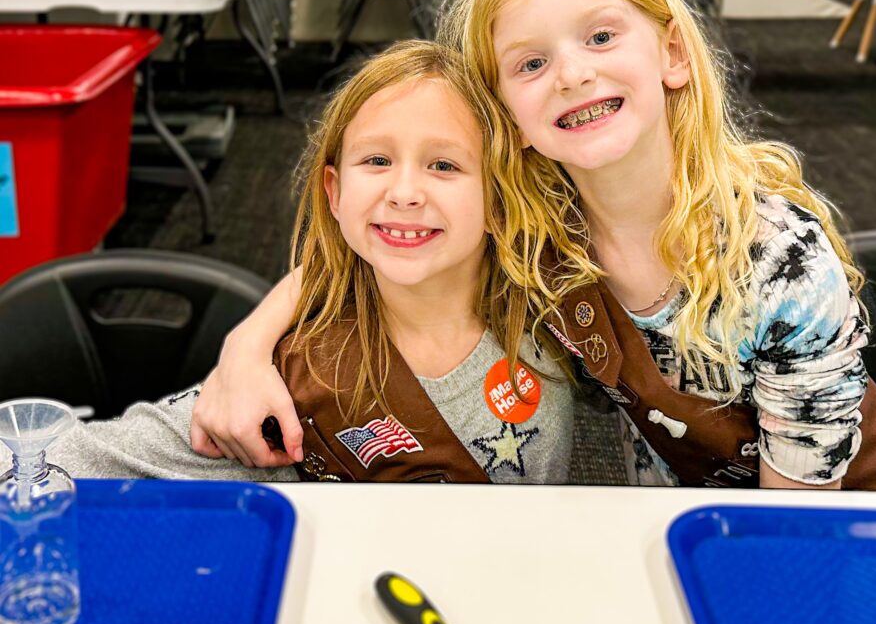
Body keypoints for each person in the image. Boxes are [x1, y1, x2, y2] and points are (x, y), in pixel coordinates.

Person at [191, 0, 876, 492]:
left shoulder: (777, 261)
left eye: (601, 36)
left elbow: (795, 525)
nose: (573, 73)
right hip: (692, 519)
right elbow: (371, 249)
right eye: (531, 63)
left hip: (865, 529)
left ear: (673, 55)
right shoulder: (539, 225)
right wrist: (246, 348)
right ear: (505, 116)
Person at [48, 41, 574, 485]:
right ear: (335, 193)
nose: (404, 192)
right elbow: (74, 462)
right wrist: (247, 349)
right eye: (377, 160)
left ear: (500, 199)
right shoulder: (290, 377)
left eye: (443, 164)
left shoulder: (558, 316)